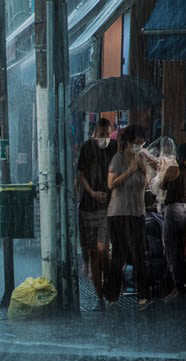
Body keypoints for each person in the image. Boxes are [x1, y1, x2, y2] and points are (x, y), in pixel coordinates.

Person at [105, 124, 151, 311]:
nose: (139, 146)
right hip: (119, 214)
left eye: (142, 143)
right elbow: (111, 184)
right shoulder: (118, 159)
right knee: (119, 256)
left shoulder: (141, 158)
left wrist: (143, 169)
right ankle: (112, 295)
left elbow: (144, 184)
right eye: (136, 143)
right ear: (128, 142)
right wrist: (130, 170)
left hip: (138, 213)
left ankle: (144, 296)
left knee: (141, 256)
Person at [77, 118, 117, 310]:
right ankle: (100, 297)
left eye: (108, 135)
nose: (105, 138)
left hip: (108, 207)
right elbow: (80, 175)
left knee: (103, 249)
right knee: (94, 252)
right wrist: (92, 192)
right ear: (95, 134)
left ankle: (109, 289)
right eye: (102, 135)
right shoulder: (87, 148)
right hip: (88, 207)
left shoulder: (115, 147)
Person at [160, 143, 186, 302]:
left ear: (177, 155)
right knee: (184, 249)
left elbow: (162, 186)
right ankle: (183, 285)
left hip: (174, 210)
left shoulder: (172, 170)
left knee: (172, 249)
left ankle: (178, 288)